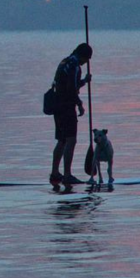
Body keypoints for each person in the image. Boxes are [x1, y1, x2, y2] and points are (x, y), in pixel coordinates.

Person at [50, 42, 92, 186]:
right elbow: (71, 89)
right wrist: (79, 103)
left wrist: (84, 81)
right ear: (83, 57)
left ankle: (55, 173)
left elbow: (66, 84)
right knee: (71, 140)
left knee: (61, 140)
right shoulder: (75, 66)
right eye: (87, 60)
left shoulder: (65, 62)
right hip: (66, 107)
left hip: (57, 105)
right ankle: (67, 175)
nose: (86, 63)